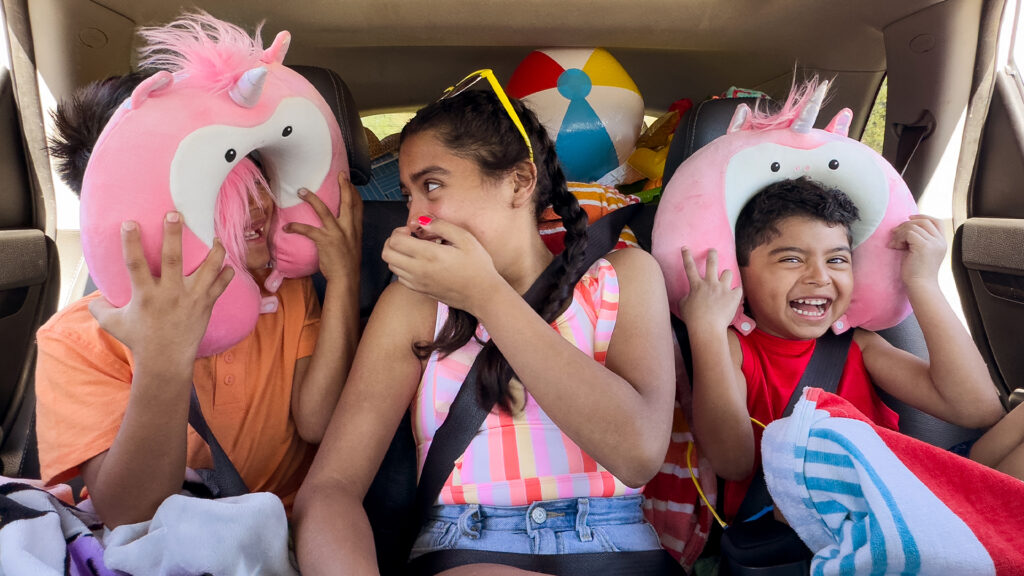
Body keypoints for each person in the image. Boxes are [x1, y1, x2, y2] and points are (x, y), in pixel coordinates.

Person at [294, 79, 677, 575]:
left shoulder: (624, 278)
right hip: (468, 548)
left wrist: (488, 296)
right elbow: (331, 489)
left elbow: (638, 453)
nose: (415, 216)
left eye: (432, 186)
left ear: (519, 182)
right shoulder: (414, 306)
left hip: (619, 550)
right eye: (408, 194)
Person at [34, 69, 363, 528]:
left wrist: (344, 277)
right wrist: (163, 357)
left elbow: (318, 423)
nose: (258, 206)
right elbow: (131, 514)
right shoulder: (75, 340)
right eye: (220, 190)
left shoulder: (284, 289)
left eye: (258, 175)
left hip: (278, 532)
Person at [678, 177, 1004, 521]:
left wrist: (922, 282)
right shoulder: (734, 347)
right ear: (738, 272)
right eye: (791, 259)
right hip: (816, 522)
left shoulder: (857, 344)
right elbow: (733, 462)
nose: (819, 277)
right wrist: (706, 330)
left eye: (837, 260)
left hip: (900, 498)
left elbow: (977, 410)